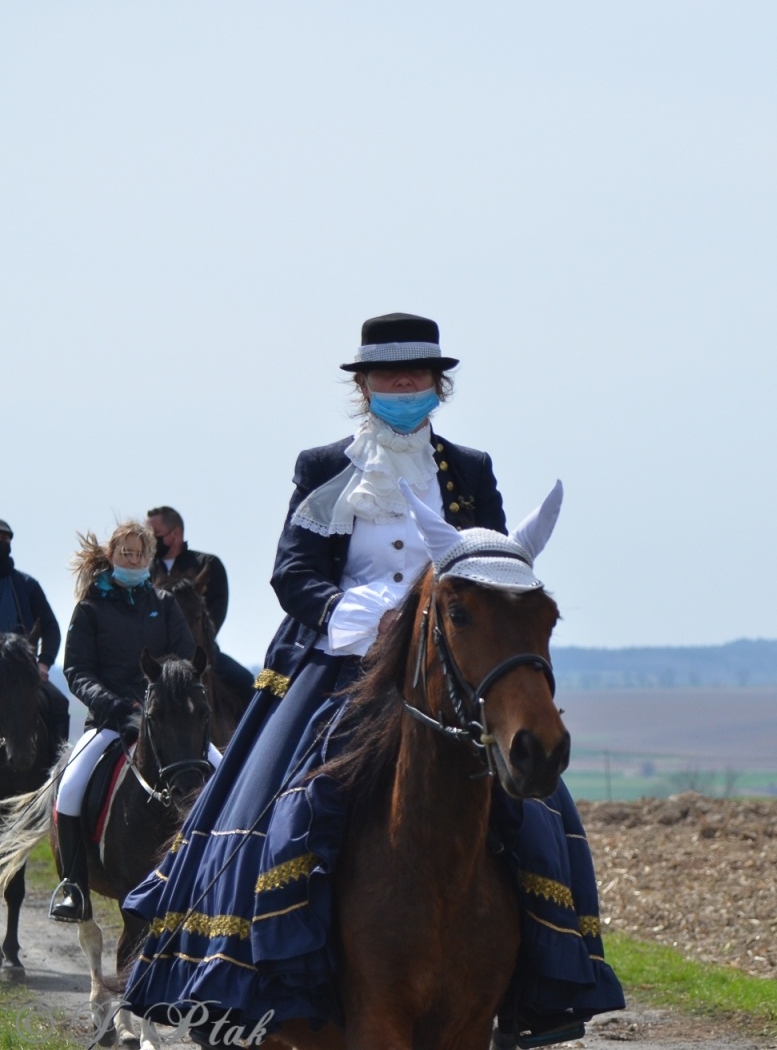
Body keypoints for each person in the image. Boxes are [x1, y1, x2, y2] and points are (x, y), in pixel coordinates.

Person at [123, 313, 623, 1045]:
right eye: (388, 377)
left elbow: (492, 569)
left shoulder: (471, 469)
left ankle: (550, 968)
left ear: (436, 385)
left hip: (445, 657)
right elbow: (291, 569)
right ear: (364, 386)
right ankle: (232, 960)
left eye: (416, 376)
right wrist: (349, 612)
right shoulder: (323, 465)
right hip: (339, 653)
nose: (403, 387)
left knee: (541, 807)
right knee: (271, 789)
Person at [54, 521, 202, 922]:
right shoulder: (89, 608)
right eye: (126, 553)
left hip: (162, 722)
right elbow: (77, 670)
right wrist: (109, 702)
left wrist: (162, 696)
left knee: (224, 771)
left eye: (139, 554)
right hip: (109, 722)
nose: (133, 560)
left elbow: (184, 659)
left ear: (148, 558)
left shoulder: (165, 604)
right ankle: (73, 887)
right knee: (69, 787)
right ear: (112, 557)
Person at [145, 505, 257, 698]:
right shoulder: (146, 573)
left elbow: (217, 612)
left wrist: (194, 647)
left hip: (203, 653)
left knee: (247, 683)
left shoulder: (207, 564)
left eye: (155, 535)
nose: (150, 541)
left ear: (176, 533)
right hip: (158, 656)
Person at [0, 519, 69, 746]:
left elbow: (51, 628)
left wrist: (43, 664)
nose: (1, 542)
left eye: (4, 539)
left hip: (24, 673)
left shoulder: (27, 585)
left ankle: (58, 772)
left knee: (58, 703)